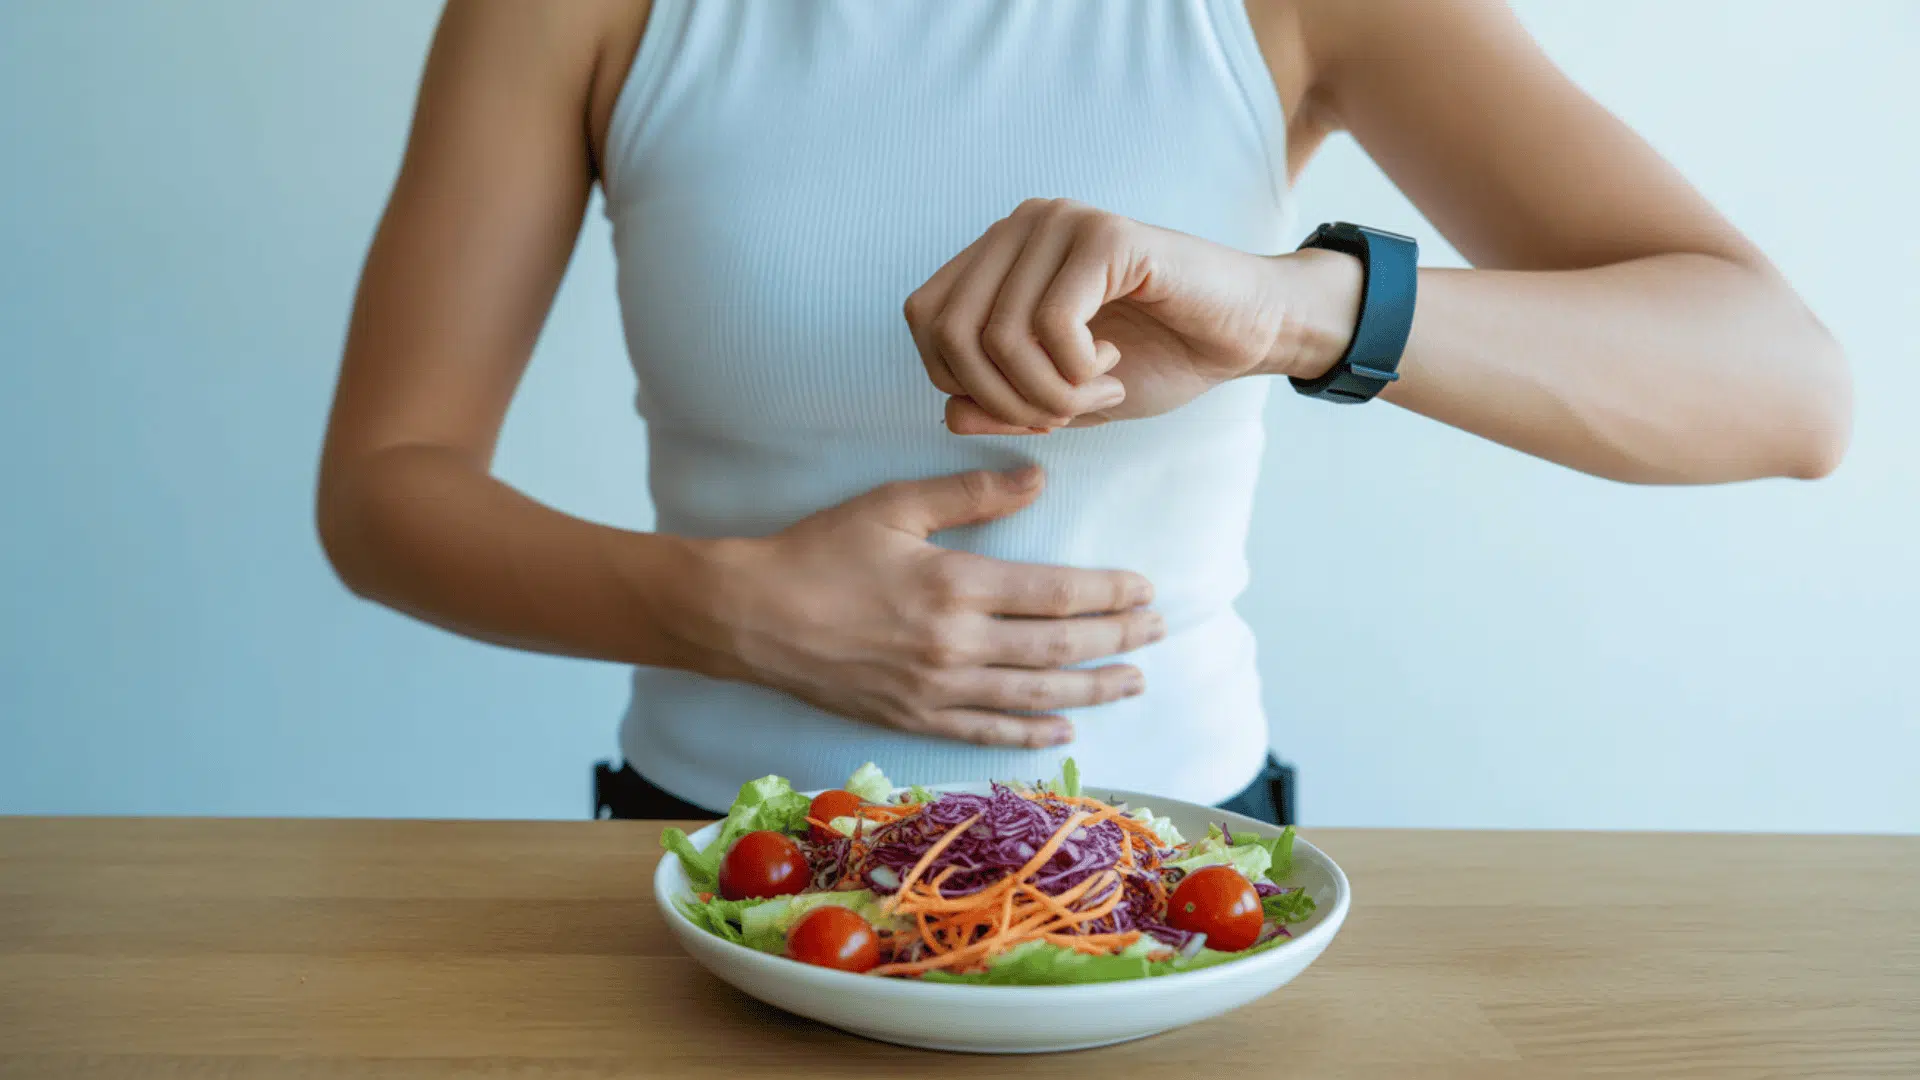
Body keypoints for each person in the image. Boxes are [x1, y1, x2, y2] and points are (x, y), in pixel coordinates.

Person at [317, 0, 1850, 824]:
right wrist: (725, 610)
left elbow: (1785, 386)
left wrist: (1297, 309)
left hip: (1178, 869)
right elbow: (386, 489)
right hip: (723, 858)